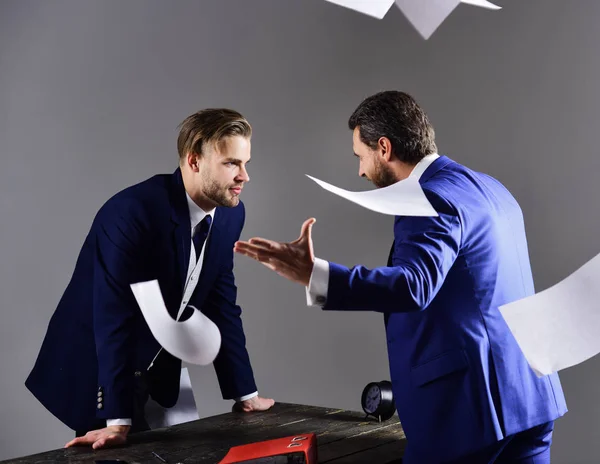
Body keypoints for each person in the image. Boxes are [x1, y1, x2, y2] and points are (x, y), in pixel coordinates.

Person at [234, 91, 567, 464]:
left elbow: (414, 285)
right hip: (531, 400)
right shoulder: (492, 188)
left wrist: (316, 275)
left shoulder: (428, 198)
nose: (360, 171)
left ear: (385, 148)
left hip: (468, 415)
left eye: (361, 156)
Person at [26, 108, 274, 450]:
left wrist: (245, 392)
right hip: (98, 363)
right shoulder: (132, 213)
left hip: (160, 361)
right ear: (195, 160)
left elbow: (222, 302)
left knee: (185, 453)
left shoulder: (231, 214)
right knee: (117, 453)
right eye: (232, 163)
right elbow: (113, 316)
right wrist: (117, 420)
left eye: (246, 163)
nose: (244, 176)